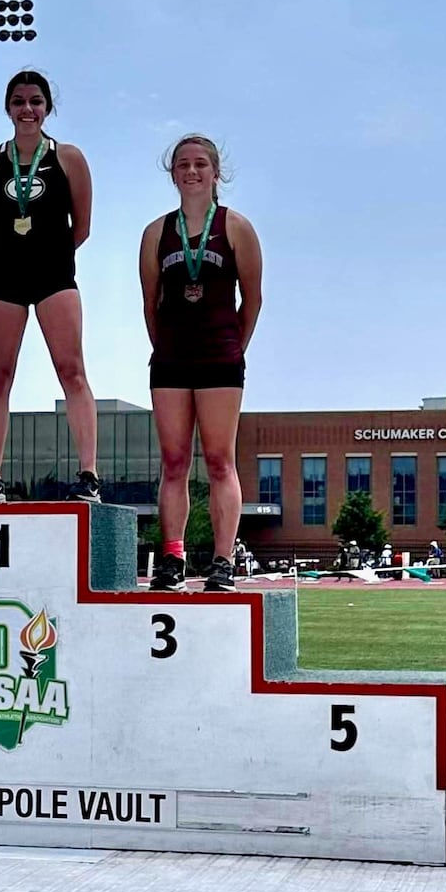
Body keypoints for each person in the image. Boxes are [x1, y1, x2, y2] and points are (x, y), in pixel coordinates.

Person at [0, 70, 99, 503]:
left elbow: (81, 227)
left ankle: (89, 475)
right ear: (8, 108)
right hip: (5, 276)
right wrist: (11, 253)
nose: (28, 109)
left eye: (36, 101)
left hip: (55, 276)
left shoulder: (69, 158)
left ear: (47, 108)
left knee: (72, 370)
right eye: (19, 101)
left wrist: (49, 252)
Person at [139, 134, 263, 592]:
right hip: (171, 359)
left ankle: (224, 561)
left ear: (215, 173)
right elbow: (151, 302)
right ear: (172, 173)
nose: (191, 172)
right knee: (173, 462)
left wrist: (235, 346)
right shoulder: (156, 232)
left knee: (218, 461)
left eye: (200, 165)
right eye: (183, 165)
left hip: (220, 360)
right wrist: (165, 346)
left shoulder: (236, 228)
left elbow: (252, 298)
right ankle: (172, 559)